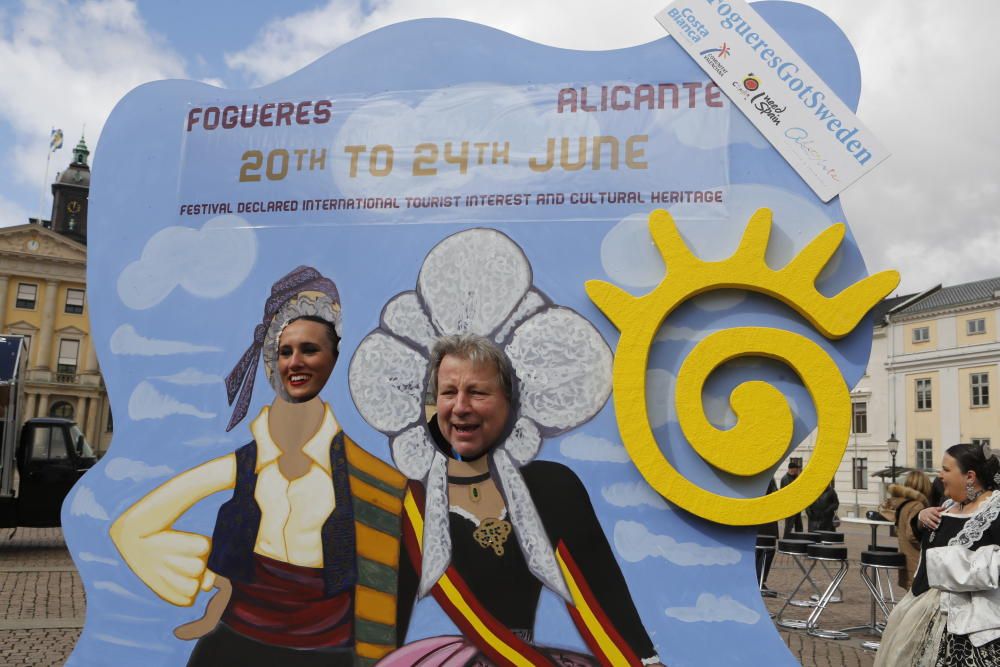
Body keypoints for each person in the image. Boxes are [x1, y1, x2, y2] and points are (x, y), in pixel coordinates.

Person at [110, 267, 411, 667]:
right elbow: (129, 528)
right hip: (235, 646)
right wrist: (206, 579)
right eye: (285, 351)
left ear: (335, 357)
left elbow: (400, 572)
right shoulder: (247, 463)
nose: (295, 362)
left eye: (309, 349)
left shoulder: (369, 476)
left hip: (325, 654)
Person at [383, 334, 664, 667]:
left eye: (477, 392)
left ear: (508, 401)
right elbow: (387, 622)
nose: (460, 407)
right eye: (448, 392)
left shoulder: (552, 487)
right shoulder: (411, 504)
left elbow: (603, 593)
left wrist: (646, 661)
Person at [874, 443, 1000, 666]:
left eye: (946, 469)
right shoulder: (948, 505)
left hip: (971, 625)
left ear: (969, 476)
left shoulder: (993, 511)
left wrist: (962, 567)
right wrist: (920, 518)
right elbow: (922, 537)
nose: (940, 475)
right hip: (920, 609)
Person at [878, 470, 932, 588]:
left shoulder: (903, 505)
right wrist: (928, 546)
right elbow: (911, 534)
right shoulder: (917, 505)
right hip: (916, 562)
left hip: (906, 560)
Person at [781, 460, 804, 537]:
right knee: (789, 525)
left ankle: (800, 539)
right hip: (790, 507)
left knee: (798, 525)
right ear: (791, 469)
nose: (797, 470)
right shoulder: (785, 479)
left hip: (796, 506)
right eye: (796, 469)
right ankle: (786, 540)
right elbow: (790, 493)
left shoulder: (794, 477)